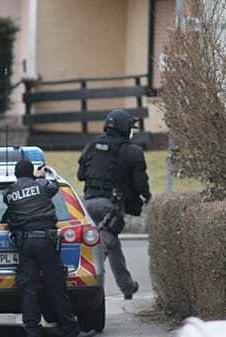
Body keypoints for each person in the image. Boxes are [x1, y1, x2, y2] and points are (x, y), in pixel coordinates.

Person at [77, 109, 151, 300]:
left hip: (87, 205)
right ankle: (86, 291)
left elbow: (80, 175)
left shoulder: (92, 144)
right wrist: (147, 197)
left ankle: (127, 287)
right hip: (111, 208)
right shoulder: (133, 152)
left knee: (112, 244)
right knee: (101, 249)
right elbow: (140, 184)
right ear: (125, 129)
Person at [3, 160, 81, 337]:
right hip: (46, 242)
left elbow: (8, 203)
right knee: (56, 286)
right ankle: (70, 329)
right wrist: (41, 176)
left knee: (28, 289)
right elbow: (53, 186)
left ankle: (32, 331)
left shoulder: (9, 193)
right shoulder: (42, 185)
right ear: (31, 172)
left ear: (16, 174)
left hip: (25, 243)